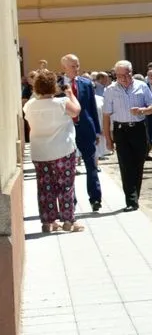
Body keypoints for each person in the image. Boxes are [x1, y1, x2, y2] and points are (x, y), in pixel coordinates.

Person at [23, 70, 84, 232]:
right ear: (54, 86)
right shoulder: (62, 102)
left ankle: (48, 222)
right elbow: (77, 111)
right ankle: (68, 220)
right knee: (66, 186)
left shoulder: (29, 105)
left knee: (45, 187)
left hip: (40, 152)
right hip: (62, 150)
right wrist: (71, 94)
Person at [102, 60, 152, 212]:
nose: (124, 79)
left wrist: (142, 110)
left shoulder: (142, 86)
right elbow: (106, 116)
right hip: (121, 130)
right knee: (126, 165)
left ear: (131, 72)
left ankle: (134, 196)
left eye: (126, 75)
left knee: (138, 164)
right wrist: (108, 139)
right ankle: (131, 200)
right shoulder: (110, 90)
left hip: (138, 129)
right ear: (115, 76)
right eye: (120, 76)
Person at [61, 54, 103, 212]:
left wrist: (97, 131)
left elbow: (92, 108)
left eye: (78, 65)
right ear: (64, 67)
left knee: (91, 165)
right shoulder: (58, 85)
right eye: (73, 66)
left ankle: (95, 199)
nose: (76, 69)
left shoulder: (86, 84)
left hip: (86, 129)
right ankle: (71, 200)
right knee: (68, 167)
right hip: (66, 130)